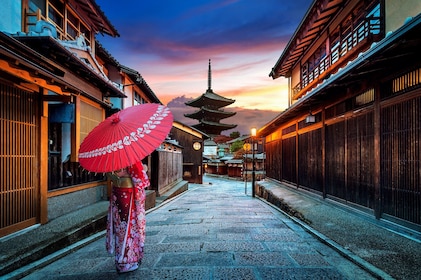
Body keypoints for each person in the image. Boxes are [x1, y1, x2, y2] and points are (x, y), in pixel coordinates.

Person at [106, 161, 150, 273]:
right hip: (128, 194)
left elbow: (110, 174)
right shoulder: (130, 158)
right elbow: (140, 180)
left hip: (117, 192)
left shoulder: (110, 158)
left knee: (119, 227)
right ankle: (126, 262)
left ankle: (119, 260)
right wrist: (144, 169)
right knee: (130, 228)